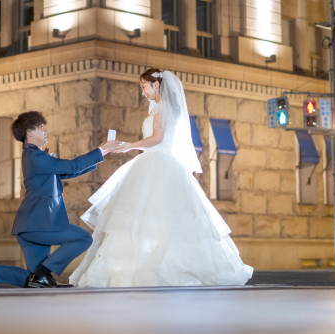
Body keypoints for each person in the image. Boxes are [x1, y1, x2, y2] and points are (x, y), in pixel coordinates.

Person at [69, 69, 253, 287]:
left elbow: (157, 138)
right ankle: (145, 265)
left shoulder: (163, 108)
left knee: (150, 217)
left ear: (156, 85)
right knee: (149, 218)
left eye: (143, 86)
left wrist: (130, 145)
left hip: (158, 163)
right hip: (153, 163)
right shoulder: (160, 108)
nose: (142, 91)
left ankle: (150, 268)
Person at [0, 111, 123, 289]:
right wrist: (101, 149)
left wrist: (102, 153)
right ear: (29, 132)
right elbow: (72, 165)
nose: (45, 130)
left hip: (29, 226)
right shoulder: (35, 157)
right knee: (83, 238)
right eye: (41, 127)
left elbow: (69, 171)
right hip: (38, 224)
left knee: (34, 280)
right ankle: (42, 274)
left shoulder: (34, 156)